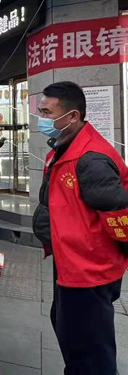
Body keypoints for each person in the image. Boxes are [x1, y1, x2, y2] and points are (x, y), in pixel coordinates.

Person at [32, 81, 128, 375]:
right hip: (69, 262)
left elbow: (119, 212)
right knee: (69, 333)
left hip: (88, 270)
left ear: (72, 116)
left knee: (90, 350)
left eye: (47, 113)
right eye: (40, 111)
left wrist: (109, 259)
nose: (41, 119)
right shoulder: (63, 147)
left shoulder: (90, 158)